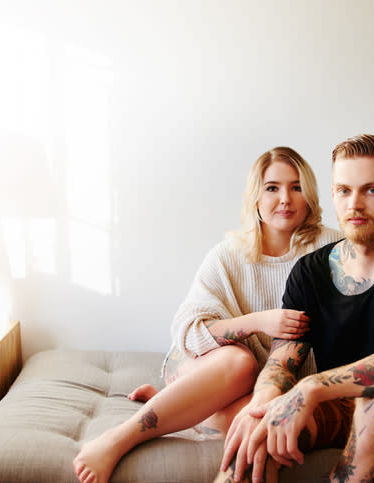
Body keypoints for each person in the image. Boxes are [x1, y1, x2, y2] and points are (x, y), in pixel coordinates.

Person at [73, 147, 343, 483]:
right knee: (240, 363)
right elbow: (187, 334)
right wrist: (259, 322)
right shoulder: (230, 254)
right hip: (203, 363)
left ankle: (192, 411)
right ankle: (119, 437)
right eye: (272, 187)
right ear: (255, 197)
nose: (285, 198)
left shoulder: (333, 248)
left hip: (268, 386)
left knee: (260, 414)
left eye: (296, 187)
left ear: (310, 196)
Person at [219, 134, 374, 483]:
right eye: (343, 190)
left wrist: (312, 388)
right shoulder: (310, 271)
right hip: (339, 407)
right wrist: (262, 403)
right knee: (261, 429)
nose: (354, 204)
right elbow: (282, 360)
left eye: (371, 190)